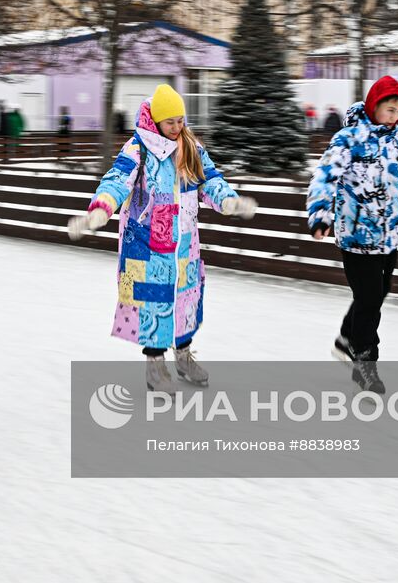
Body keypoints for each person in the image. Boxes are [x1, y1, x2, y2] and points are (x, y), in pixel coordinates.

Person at [66, 84, 257, 392]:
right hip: (146, 245)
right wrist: (100, 211)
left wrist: (228, 201)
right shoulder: (137, 148)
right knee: (152, 305)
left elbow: (209, 179)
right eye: (171, 122)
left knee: (186, 299)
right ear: (156, 120)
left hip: (184, 244)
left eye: (181, 120)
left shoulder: (190, 146)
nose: (177, 127)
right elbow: (117, 180)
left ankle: (183, 356)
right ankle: (155, 367)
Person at [306, 75, 398, 396]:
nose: (394, 115)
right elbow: (324, 177)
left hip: (389, 233)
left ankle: (345, 337)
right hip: (355, 233)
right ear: (373, 106)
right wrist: (320, 216)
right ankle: (365, 364)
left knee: (379, 292)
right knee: (369, 298)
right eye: (388, 108)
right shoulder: (349, 138)